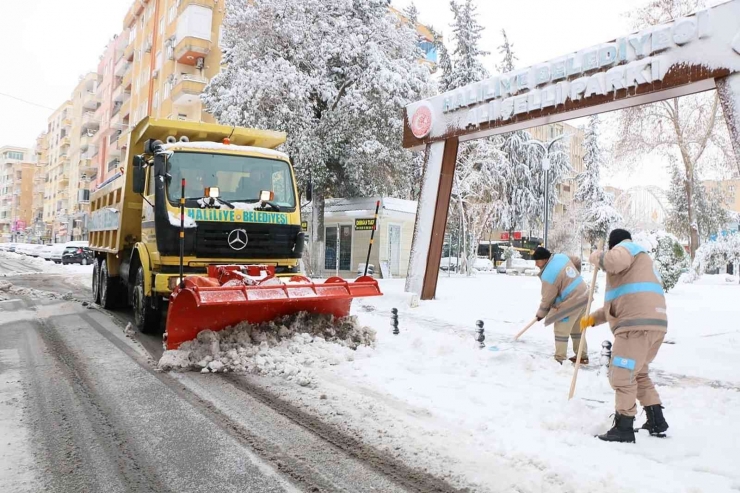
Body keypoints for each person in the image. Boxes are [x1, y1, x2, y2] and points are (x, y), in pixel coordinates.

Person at [581, 228, 669, 443]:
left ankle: (623, 427)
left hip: (634, 329)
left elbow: (611, 261)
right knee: (638, 374)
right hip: (653, 325)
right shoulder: (639, 265)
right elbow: (616, 307)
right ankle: (656, 421)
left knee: (621, 375)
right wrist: (592, 319)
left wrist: (595, 256)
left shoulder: (626, 248)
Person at [533, 247, 589, 365]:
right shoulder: (560, 257)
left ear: (544, 259)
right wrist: (574, 275)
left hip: (571, 301)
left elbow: (547, 299)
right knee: (577, 330)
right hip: (584, 296)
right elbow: (576, 260)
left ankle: (559, 358)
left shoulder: (549, 274)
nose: (536, 264)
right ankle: (582, 356)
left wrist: (540, 315)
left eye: (537, 261)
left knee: (561, 330)